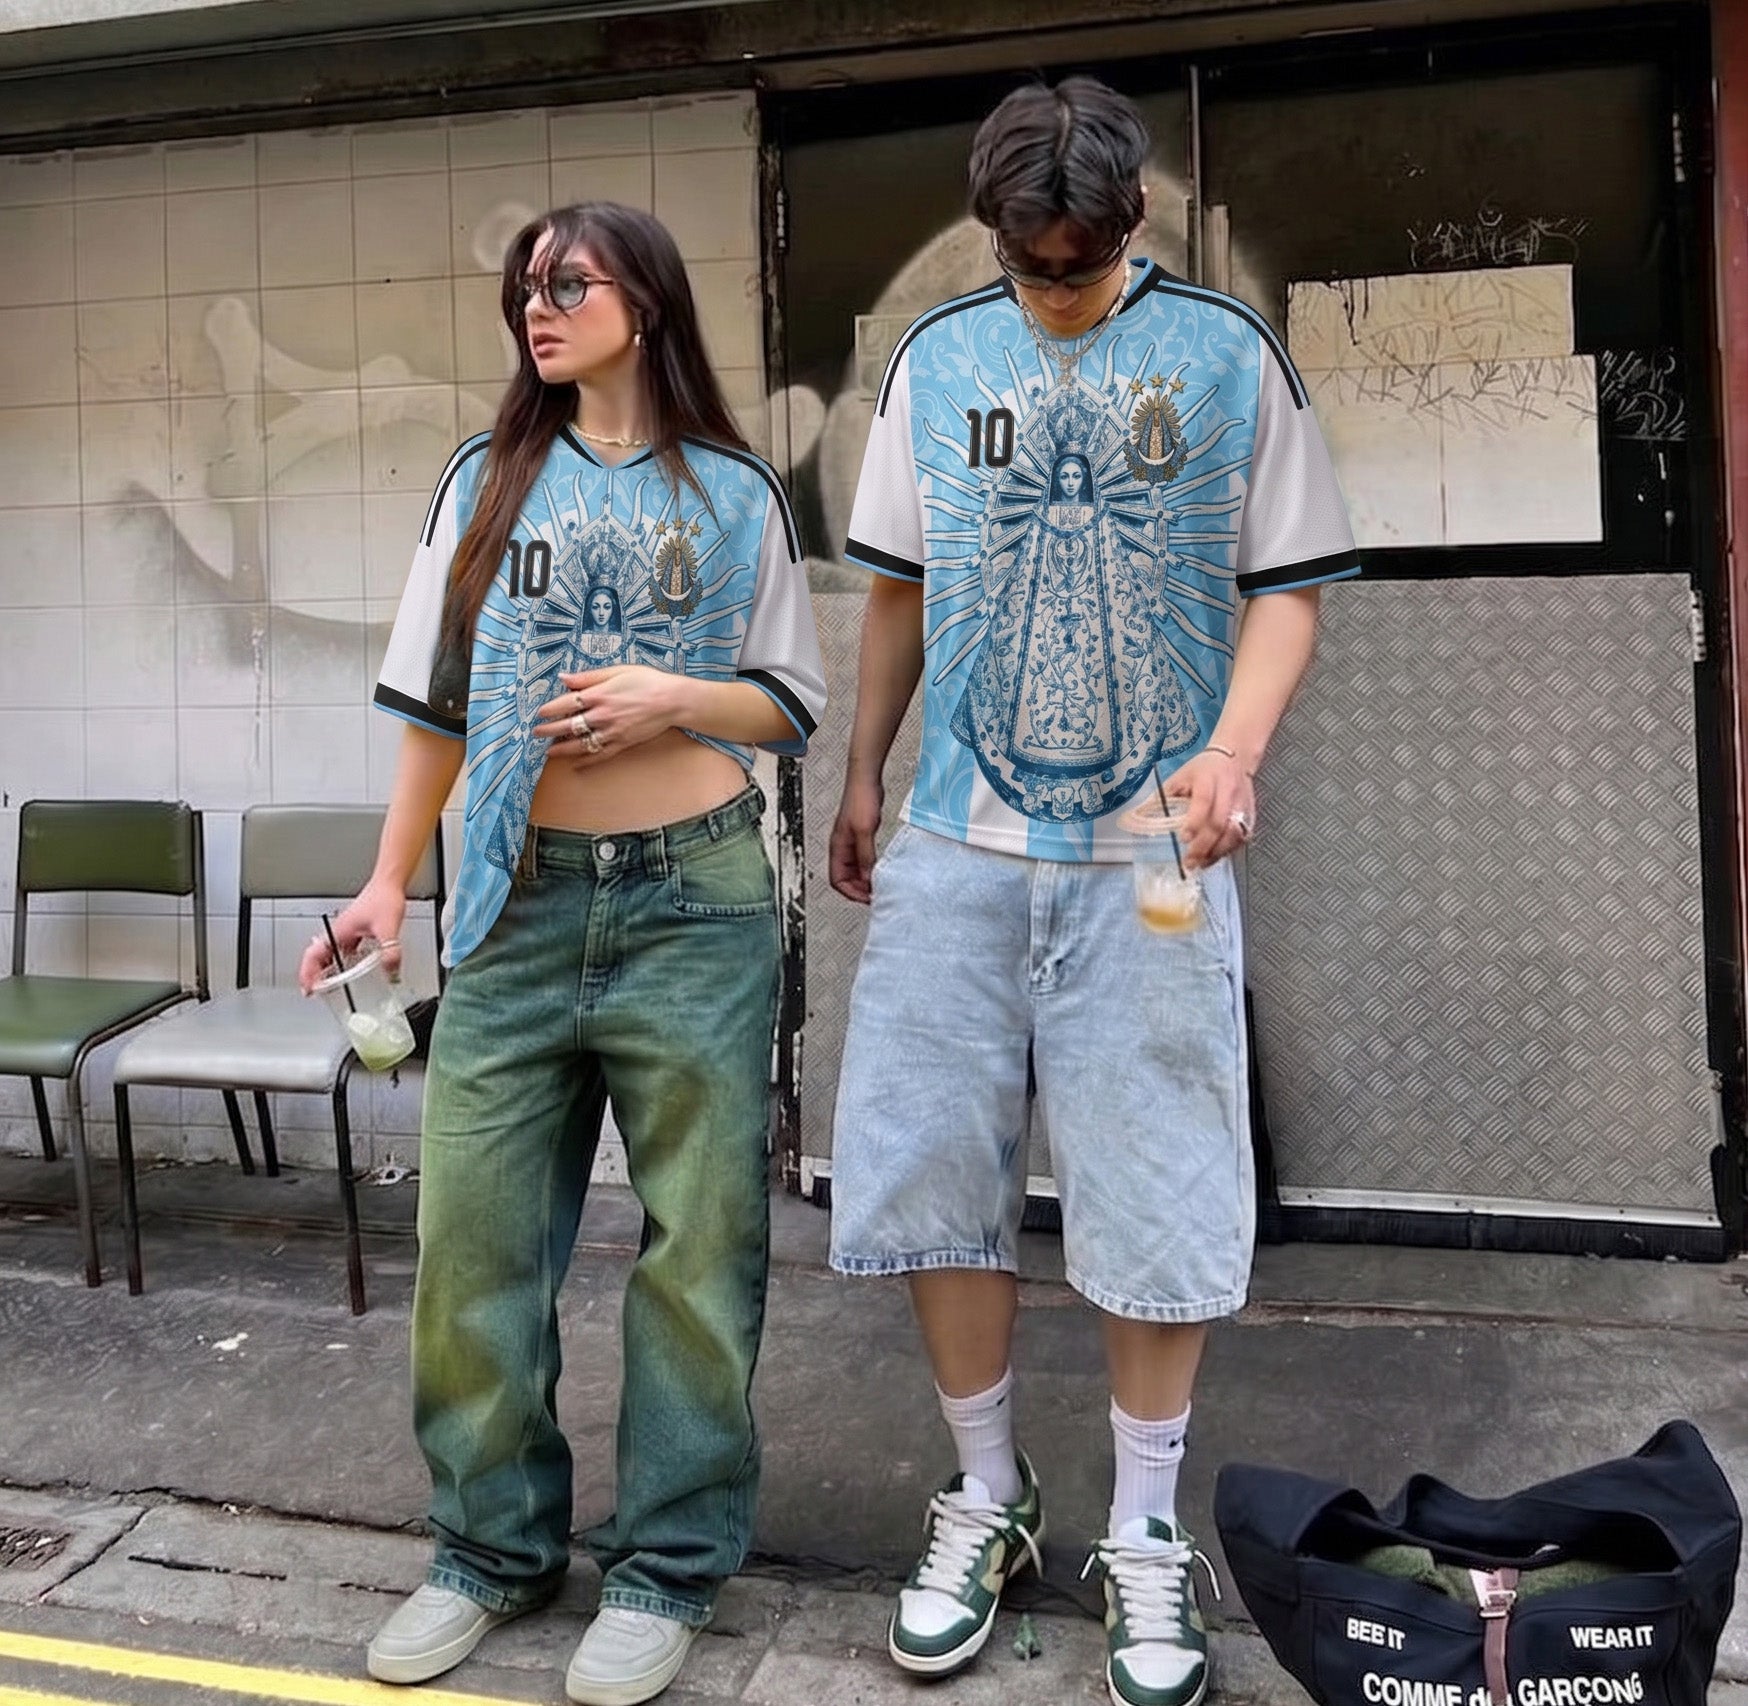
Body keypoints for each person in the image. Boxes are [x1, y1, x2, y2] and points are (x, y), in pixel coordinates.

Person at [826, 77, 1358, 1706]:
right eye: (1030, 263)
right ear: (995, 236)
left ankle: (1144, 1526)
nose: (1054, 288)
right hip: (956, 845)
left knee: (1156, 1187)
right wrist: (862, 768)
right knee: (929, 1168)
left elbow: (1285, 590)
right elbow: (901, 589)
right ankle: (987, 1492)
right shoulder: (938, 363)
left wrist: (1238, 751)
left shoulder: (1219, 358)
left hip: (1153, 860)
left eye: (1080, 261)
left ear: (1134, 227)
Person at [300, 199, 825, 1706]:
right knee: (473, 1240)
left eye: (569, 283)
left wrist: (675, 693)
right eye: (526, 289)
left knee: (699, 1250)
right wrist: (388, 885)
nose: (540, 308)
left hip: (695, 902)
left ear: (645, 302)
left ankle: (666, 1567)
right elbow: (437, 707)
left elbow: (787, 698)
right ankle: (487, 1548)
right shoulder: (486, 481)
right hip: (514, 906)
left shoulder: (732, 492)